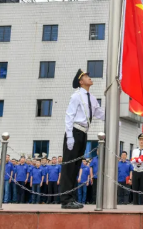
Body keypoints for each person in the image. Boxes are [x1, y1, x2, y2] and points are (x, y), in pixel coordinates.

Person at [61, 68, 106, 209]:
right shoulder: (76, 96)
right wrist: (69, 136)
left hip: (84, 133)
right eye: (86, 76)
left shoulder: (92, 98)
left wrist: (115, 120)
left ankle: (72, 198)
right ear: (81, 81)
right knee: (69, 166)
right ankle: (66, 200)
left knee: (76, 166)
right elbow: (69, 116)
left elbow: (99, 113)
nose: (89, 78)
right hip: (74, 132)